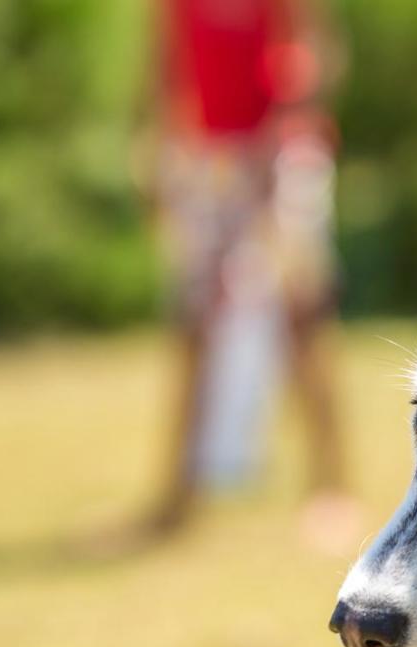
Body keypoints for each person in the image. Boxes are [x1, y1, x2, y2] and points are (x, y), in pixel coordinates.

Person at [133, 0, 359, 550]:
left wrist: (277, 141)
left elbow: (317, 54)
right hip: (205, 157)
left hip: (284, 153)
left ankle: (331, 489)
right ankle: (178, 492)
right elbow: (166, 65)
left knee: (300, 314)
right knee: (195, 319)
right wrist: (158, 152)